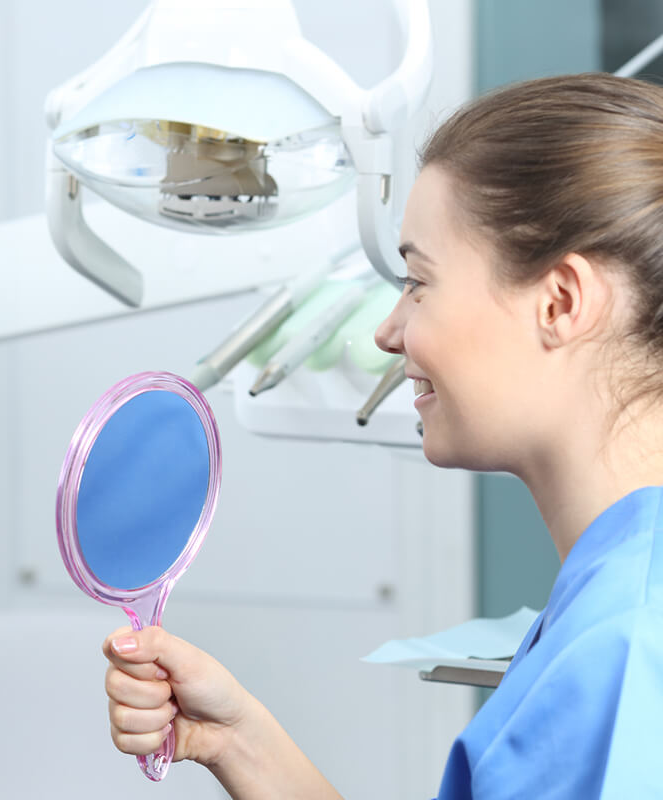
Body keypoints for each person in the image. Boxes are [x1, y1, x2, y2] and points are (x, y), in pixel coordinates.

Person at [102, 72, 663, 799]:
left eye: (419, 282)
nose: (388, 330)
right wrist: (241, 741)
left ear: (560, 302)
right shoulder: (613, 601)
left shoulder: (619, 651)